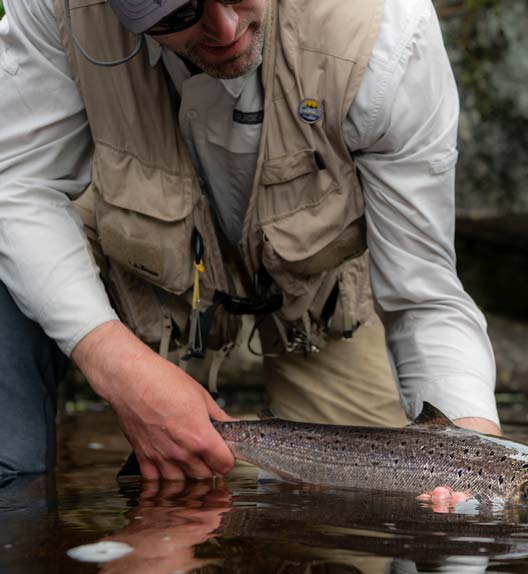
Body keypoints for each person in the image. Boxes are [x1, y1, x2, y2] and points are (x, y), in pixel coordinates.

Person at [0, 0, 501, 481]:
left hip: (320, 302)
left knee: (360, 538)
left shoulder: (384, 33)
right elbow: (17, 186)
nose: (224, 28)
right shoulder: (58, 6)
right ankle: (15, 506)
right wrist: (114, 364)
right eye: (178, 13)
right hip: (129, 272)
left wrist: (476, 458)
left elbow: (425, 296)